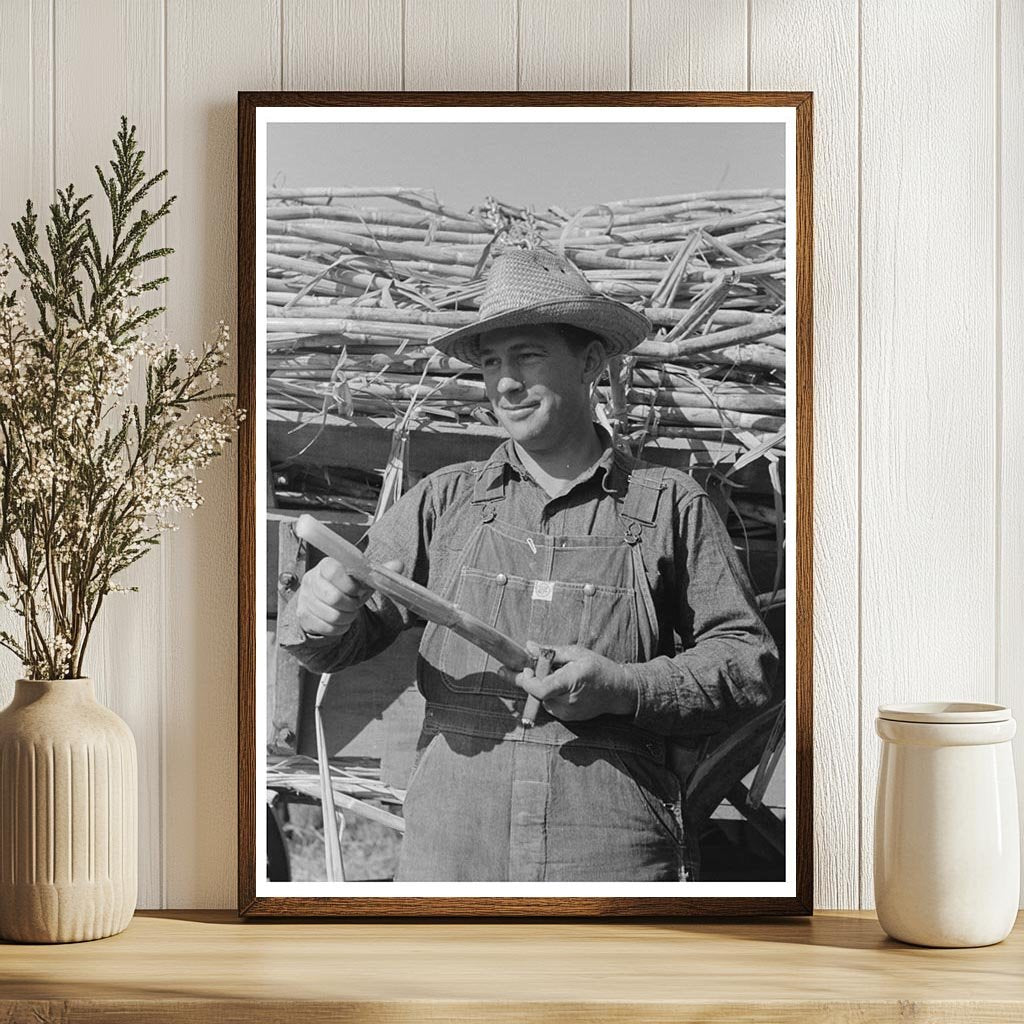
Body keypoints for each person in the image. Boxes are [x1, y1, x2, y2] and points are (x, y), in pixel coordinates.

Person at [276, 244, 779, 883]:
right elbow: (334, 638)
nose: (505, 383)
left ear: (591, 361)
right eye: (491, 363)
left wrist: (624, 689)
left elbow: (748, 665)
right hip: (451, 854)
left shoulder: (669, 504)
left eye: (528, 356)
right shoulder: (444, 499)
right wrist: (319, 613)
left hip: (608, 853)